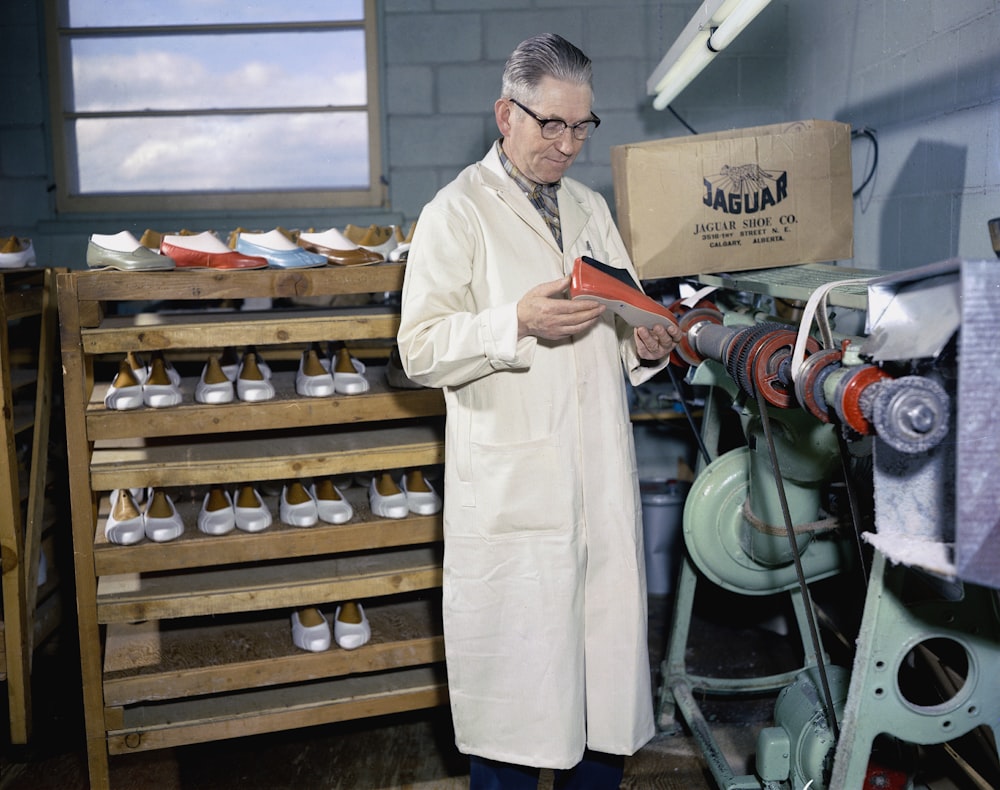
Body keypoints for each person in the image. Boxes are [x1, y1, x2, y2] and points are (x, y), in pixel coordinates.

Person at [396, 33, 682, 789]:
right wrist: (512, 324)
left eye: (582, 126)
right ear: (505, 114)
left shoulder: (590, 207)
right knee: (519, 707)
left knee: (601, 701)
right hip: (515, 490)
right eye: (550, 124)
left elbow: (619, 336)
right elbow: (418, 350)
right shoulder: (455, 212)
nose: (568, 144)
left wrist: (646, 339)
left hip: (598, 482)